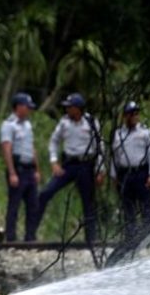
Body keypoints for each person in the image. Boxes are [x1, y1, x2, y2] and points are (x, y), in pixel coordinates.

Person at [34, 93, 104, 246]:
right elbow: (53, 141)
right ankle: (31, 233)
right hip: (68, 164)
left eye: (70, 107)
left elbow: (100, 146)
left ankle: (91, 239)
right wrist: (54, 162)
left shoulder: (91, 122)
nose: (67, 110)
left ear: (78, 109)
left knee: (89, 203)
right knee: (46, 192)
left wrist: (100, 169)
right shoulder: (64, 123)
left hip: (86, 165)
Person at [110, 101, 150, 242]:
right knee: (128, 207)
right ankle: (131, 237)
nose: (134, 116)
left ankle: (148, 235)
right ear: (125, 116)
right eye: (131, 114)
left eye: (136, 113)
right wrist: (113, 175)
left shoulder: (146, 132)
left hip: (141, 172)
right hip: (125, 174)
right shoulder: (118, 134)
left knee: (145, 205)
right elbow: (113, 156)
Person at [0, 92, 40, 242]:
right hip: (18, 169)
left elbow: (32, 147)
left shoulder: (28, 125)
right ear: (19, 107)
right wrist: (12, 172)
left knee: (33, 205)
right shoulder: (9, 125)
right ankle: (11, 237)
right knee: (14, 205)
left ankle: (30, 237)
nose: (29, 110)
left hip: (29, 169)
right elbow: (6, 148)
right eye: (27, 107)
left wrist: (37, 169)